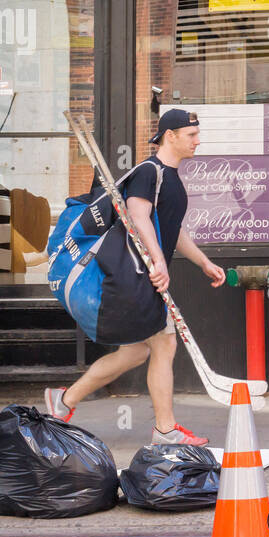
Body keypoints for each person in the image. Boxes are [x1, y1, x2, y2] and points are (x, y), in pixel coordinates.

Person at [44, 109, 229, 446]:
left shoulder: (170, 177)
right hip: (137, 276)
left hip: (147, 276)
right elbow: (137, 215)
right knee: (165, 344)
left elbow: (174, 230)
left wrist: (203, 262)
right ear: (170, 135)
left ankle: (64, 400)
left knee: (135, 353)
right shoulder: (149, 171)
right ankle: (165, 429)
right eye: (191, 135)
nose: (197, 141)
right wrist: (158, 261)